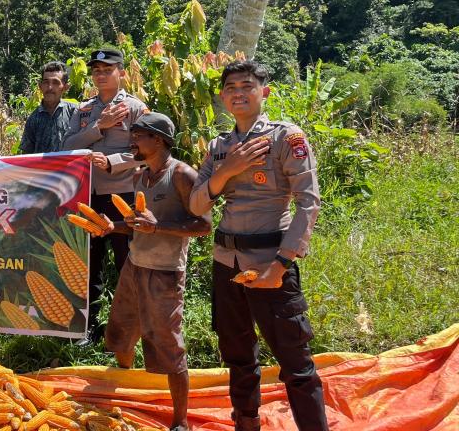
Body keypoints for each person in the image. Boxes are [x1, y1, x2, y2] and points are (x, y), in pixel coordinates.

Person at [190, 60, 328, 431]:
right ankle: (246, 422)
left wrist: (280, 266)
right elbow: (197, 204)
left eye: (247, 85)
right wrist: (226, 171)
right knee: (237, 354)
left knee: (295, 362)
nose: (238, 92)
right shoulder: (220, 147)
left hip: (270, 261)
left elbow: (309, 202)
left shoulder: (287, 137)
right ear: (222, 96)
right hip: (227, 262)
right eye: (231, 87)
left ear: (263, 92)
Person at [100, 113, 211, 431]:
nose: (132, 141)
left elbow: (204, 226)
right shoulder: (140, 177)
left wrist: (158, 226)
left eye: (138, 135)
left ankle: (181, 421)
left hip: (164, 274)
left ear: (159, 140)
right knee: (121, 337)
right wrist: (113, 227)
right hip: (134, 268)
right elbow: (139, 225)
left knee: (168, 346)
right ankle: (128, 389)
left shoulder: (182, 175)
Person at [62, 48, 148, 342]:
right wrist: (100, 126)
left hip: (123, 196)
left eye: (107, 69)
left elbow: (146, 153)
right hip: (89, 196)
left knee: (128, 263)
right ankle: (88, 329)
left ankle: (128, 331)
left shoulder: (136, 108)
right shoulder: (83, 110)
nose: (100, 74)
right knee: (90, 264)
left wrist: (112, 162)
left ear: (121, 73)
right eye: (96, 70)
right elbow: (67, 146)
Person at [19, 61, 78, 154]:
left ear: (65, 87)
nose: (50, 87)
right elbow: (26, 154)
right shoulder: (33, 118)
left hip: (68, 168)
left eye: (55, 82)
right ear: (40, 86)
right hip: (40, 168)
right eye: (46, 82)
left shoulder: (75, 113)